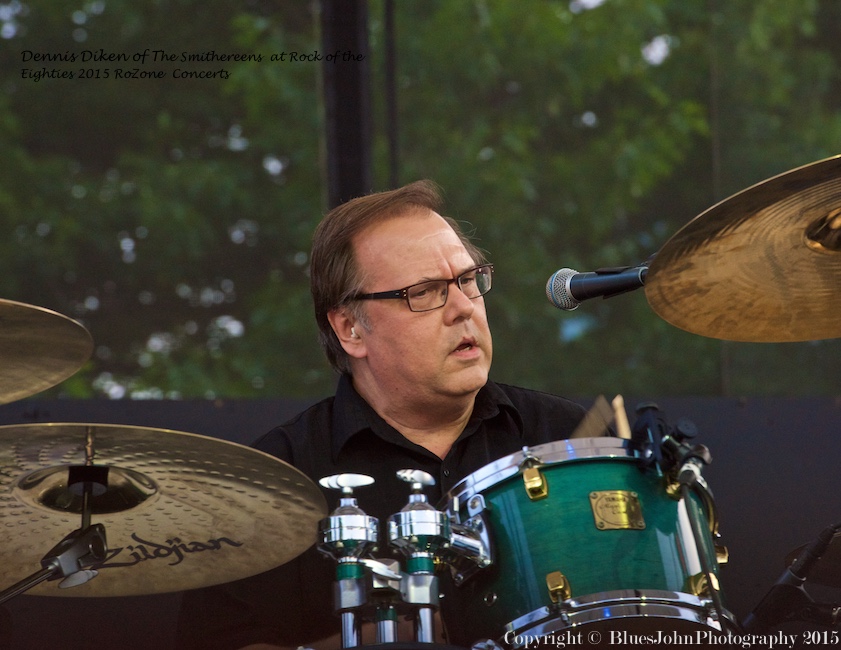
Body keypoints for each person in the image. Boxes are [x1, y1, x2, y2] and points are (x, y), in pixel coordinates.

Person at [176, 180, 589, 649]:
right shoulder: (270, 482)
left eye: (468, 280)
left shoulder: (565, 439)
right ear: (351, 329)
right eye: (425, 292)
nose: (462, 308)